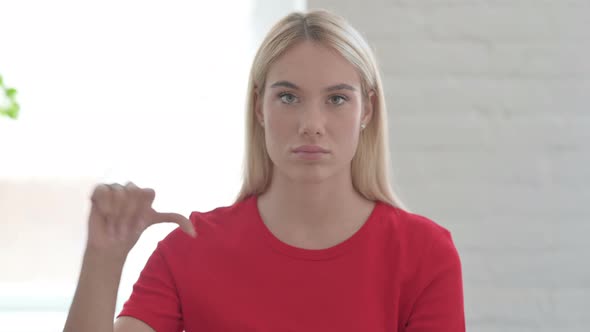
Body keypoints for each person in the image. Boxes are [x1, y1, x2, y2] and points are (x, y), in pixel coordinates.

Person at [64, 9, 465, 332]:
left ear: (368, 110)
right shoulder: (189, 248)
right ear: (259, 107)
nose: (311, 122)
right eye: (288, 97)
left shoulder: (425, 254)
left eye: (337, 99)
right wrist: (103, 259)